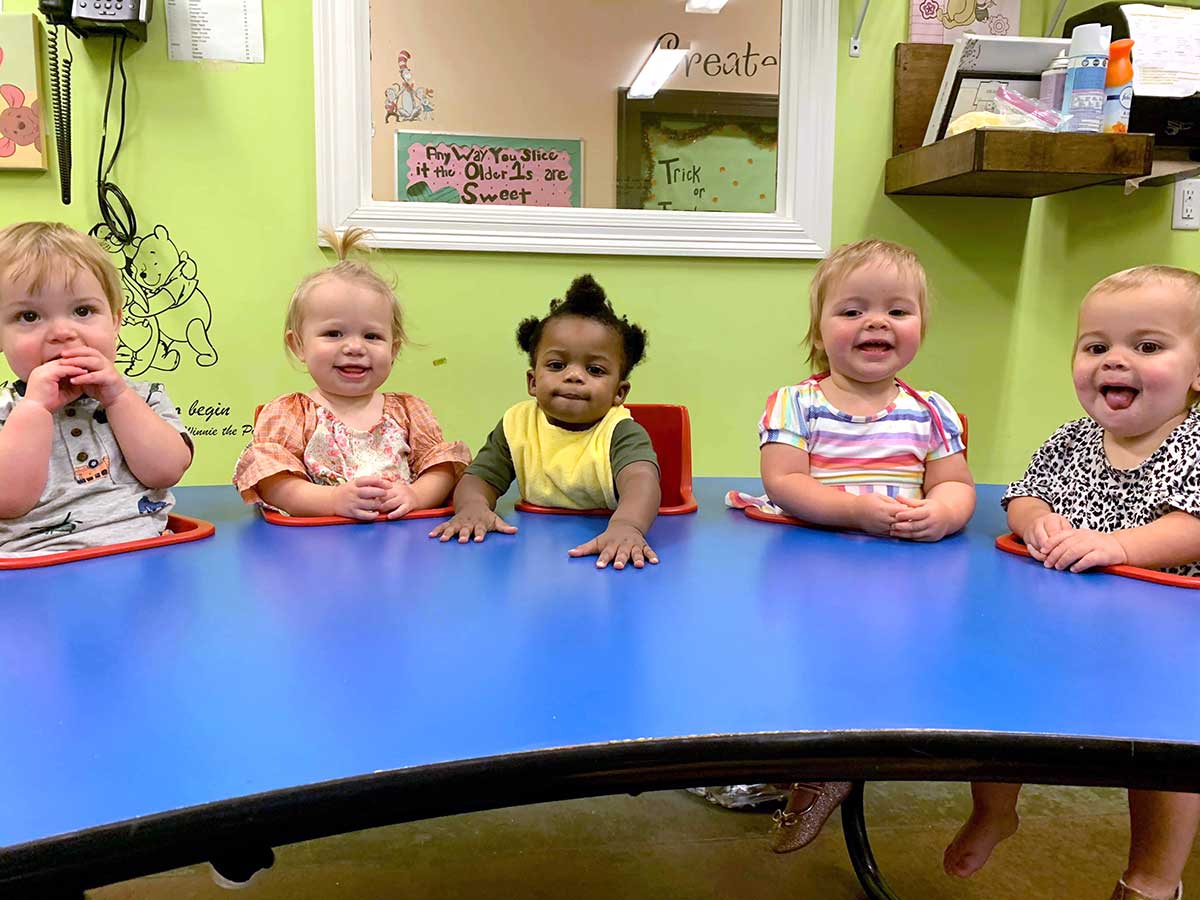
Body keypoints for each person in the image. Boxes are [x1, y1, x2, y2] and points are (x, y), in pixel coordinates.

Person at [944, 266, 1200, 900]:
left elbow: (1193, 526)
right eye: (1096, 346)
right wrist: (1039, 520)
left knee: (1164, 757)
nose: (1114, 361)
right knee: (1004, 705)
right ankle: (995, 810)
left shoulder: (1194, 441)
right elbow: (1020, 496)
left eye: (1147, 346)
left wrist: (1117, 546)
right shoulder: (1074, 439)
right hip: (1065, 622)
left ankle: (1151, 877)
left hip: (1168, 644)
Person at [753, 239, 975, 852]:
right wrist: (855, 511)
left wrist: (943, 514)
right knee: (810, 670)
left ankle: (833, 769)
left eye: (897, 311)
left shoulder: (932, 411)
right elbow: (785, 482)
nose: (876, 322)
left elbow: (956, 484)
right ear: (820, 332)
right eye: (852, 310)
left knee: (879, 674)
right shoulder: (797, 402)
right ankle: (804, 764)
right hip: (813, 570)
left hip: (903, 577)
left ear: (920, 329)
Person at [234, 227, 469, 519]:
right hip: (319, 548)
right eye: (333, 333)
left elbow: (442, 469)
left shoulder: (409, 412)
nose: (355, 347)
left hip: (401, 545)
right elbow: (273, 483)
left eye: (372, 336)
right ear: (298, 345)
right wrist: (332, 500)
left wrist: (416, 495)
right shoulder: (291, 414)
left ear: (393, 349)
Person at [431, 274, 661, 570]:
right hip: (531, 553)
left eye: (594, 369)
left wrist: (628, 526)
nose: (573, 375)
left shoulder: (621, 431)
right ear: (532, 381)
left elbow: (642, 482)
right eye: (557, 365)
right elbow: (479, 478)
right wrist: (473, 506)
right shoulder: (517, 424)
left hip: (598, 551)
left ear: (619, 392)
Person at [0, 221, 193, 555]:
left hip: (145, 556)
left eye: (82, 311)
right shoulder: (6, 409)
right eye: (29, 316)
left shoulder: (144, 397)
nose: (61, 332)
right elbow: (9, 500)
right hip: (34, 570)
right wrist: (33, 410)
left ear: (115, 321)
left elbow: (167, 471)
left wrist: (118, 398)